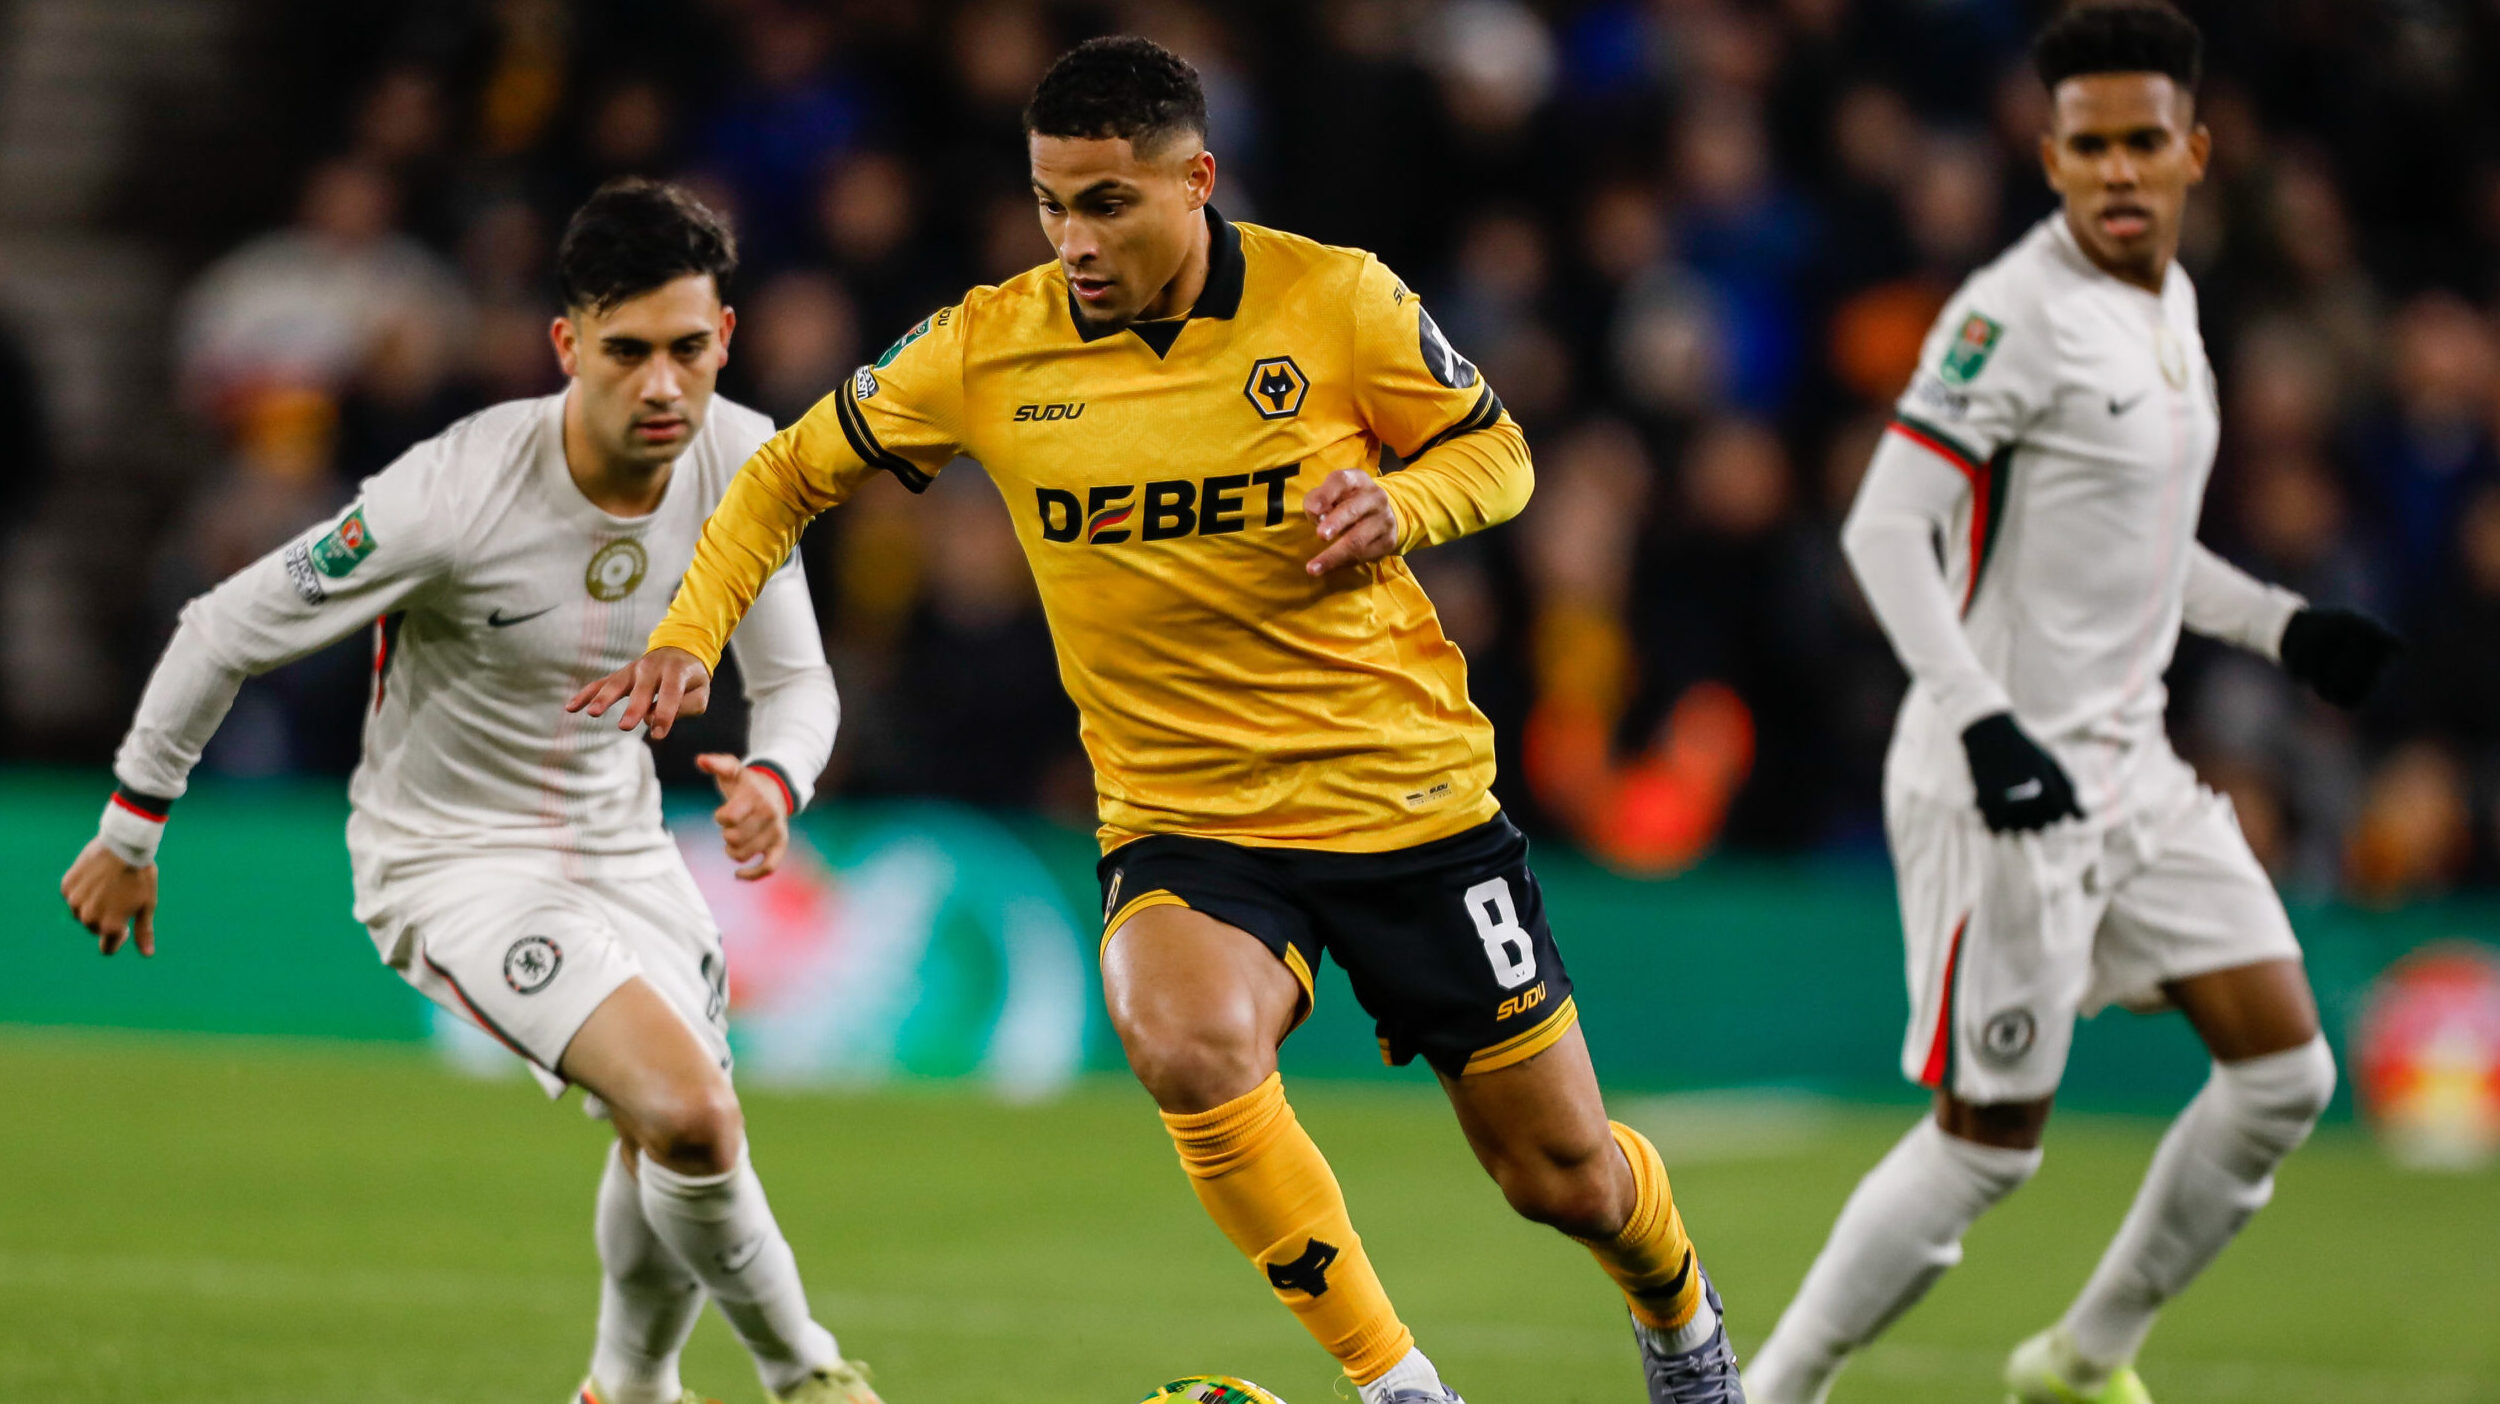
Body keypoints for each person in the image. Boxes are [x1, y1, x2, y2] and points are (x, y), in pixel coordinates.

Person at [573, 36, 1746, 1404]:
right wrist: (686, 631)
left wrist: (1403, 504)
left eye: (1108, 202)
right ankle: (1399, 1387)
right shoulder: (988, 347)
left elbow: (1501, 451)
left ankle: (1681, 1323)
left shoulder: (1337, 301)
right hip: (1187, 819)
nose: (1072, 237)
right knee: (1182, 1041)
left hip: (1404, 800)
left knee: (1562, 1176)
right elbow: (781, 475)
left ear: (1197, 180)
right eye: (1051, 201)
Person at [61, 179, 880, 1404]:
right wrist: (134, 823)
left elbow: (800, 681)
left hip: (625, 846)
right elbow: (223, 625)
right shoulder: (453, 491)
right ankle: (804, 1374)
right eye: (628, 352)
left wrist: (777, 775)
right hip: (452, 858)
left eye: (689, 349)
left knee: (673, 1130)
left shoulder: (745, 459)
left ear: (727, 335)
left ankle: (628, 1389)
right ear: (566, 346)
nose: (663, 386)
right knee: (695, 1117)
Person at [1743, 8, 2400, 1404]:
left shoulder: (2169, 309)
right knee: (1989, 1144)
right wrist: (1984, 722)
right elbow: (1881, 529)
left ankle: (2083, 1357)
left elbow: (2141, 554)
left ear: (2195, 152)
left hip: (2130, 768)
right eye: (2088, 144)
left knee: (2285, 1077)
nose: (2115, 169)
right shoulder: (2010, 315)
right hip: (1999, 782)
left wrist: (2280, 625)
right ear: (2049, 157)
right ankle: (1767, 1391)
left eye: (2142, 141)